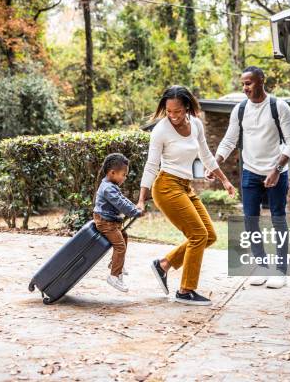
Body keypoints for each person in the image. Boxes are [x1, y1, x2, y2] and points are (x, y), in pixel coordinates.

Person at [137, 85, 236, 306]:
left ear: (187, 107)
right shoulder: (161, 130)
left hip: (185, 186)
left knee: (209, 235)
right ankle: (186, 291)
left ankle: (163, 264)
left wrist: (225, 180)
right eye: (169, 111)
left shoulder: (197, 125)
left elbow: (206, 155)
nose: (173, 116)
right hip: (166, 187)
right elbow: (151, 165)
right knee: (198, 235)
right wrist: (142, 199)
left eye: (178, 112)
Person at [208, 66, 290, 289]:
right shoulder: (239, 110)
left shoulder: (279, 106)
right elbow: (229, 141)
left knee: (278, 218)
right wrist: (215, 163)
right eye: (242, 84)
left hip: (276, 171)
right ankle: (262, 266)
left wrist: (277, 170)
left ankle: (280, 269)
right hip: (250, 171)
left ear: (261, 81)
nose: (245, 88)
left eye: (248, 83)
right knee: (251, 220)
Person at [93, 153, 144, 293]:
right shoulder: (108, 188)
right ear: (112, 172)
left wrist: (135, 208)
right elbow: (120, 203)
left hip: (110, 221)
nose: (125, 178)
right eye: (123, 174)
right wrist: (134, 212)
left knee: (124, 236)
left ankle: (116, 264)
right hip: (105, 222)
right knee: (120, 246)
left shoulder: (111, 185)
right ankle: (114, 276)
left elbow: (123, 199)